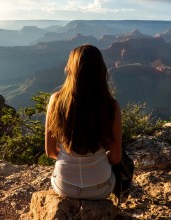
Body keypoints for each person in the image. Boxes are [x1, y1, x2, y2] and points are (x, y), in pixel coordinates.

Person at [44, 44, 122, 200]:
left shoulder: (56, 100)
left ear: (71, 69)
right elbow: (115, 158)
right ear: (102, 71)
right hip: (100, 188)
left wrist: (71, 158)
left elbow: (50, 152)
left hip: (64, 185)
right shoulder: (111, 105)